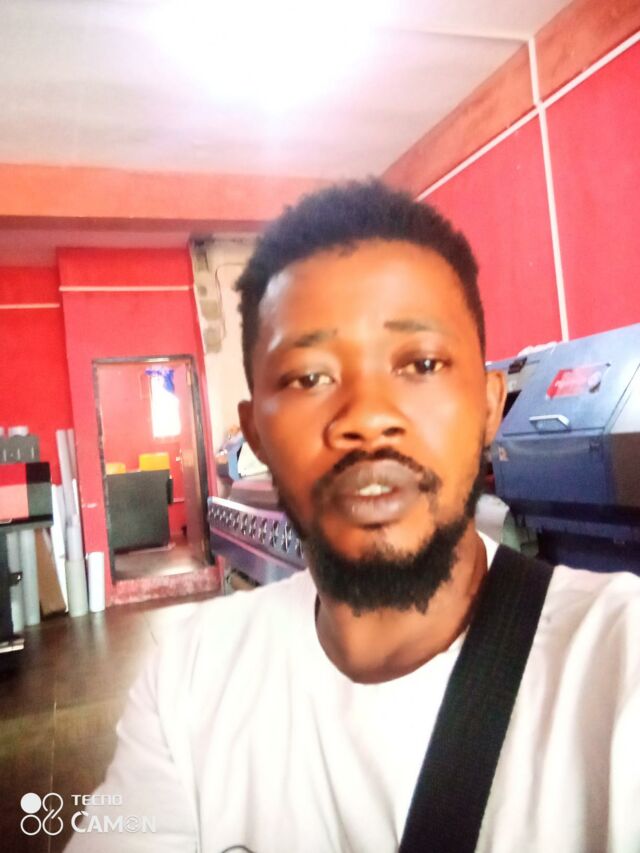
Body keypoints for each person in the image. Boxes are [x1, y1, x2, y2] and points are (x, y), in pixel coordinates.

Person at [66, 181, 640, 852]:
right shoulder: (188, 679)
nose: (367, 417)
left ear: (490, 406)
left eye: (422, 363)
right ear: (256, 434)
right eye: (308, 377)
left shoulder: (617, 664)